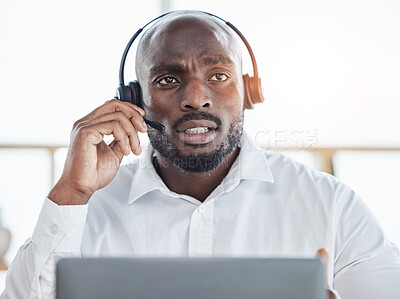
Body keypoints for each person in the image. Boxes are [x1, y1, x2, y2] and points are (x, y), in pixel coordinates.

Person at [2, 10, 400, 299]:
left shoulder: (331, 204)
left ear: (249, 93)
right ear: (134, 100)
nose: (195, 99)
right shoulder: (86, 208)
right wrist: (71, 192)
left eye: (219, 76)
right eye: (168, 79)